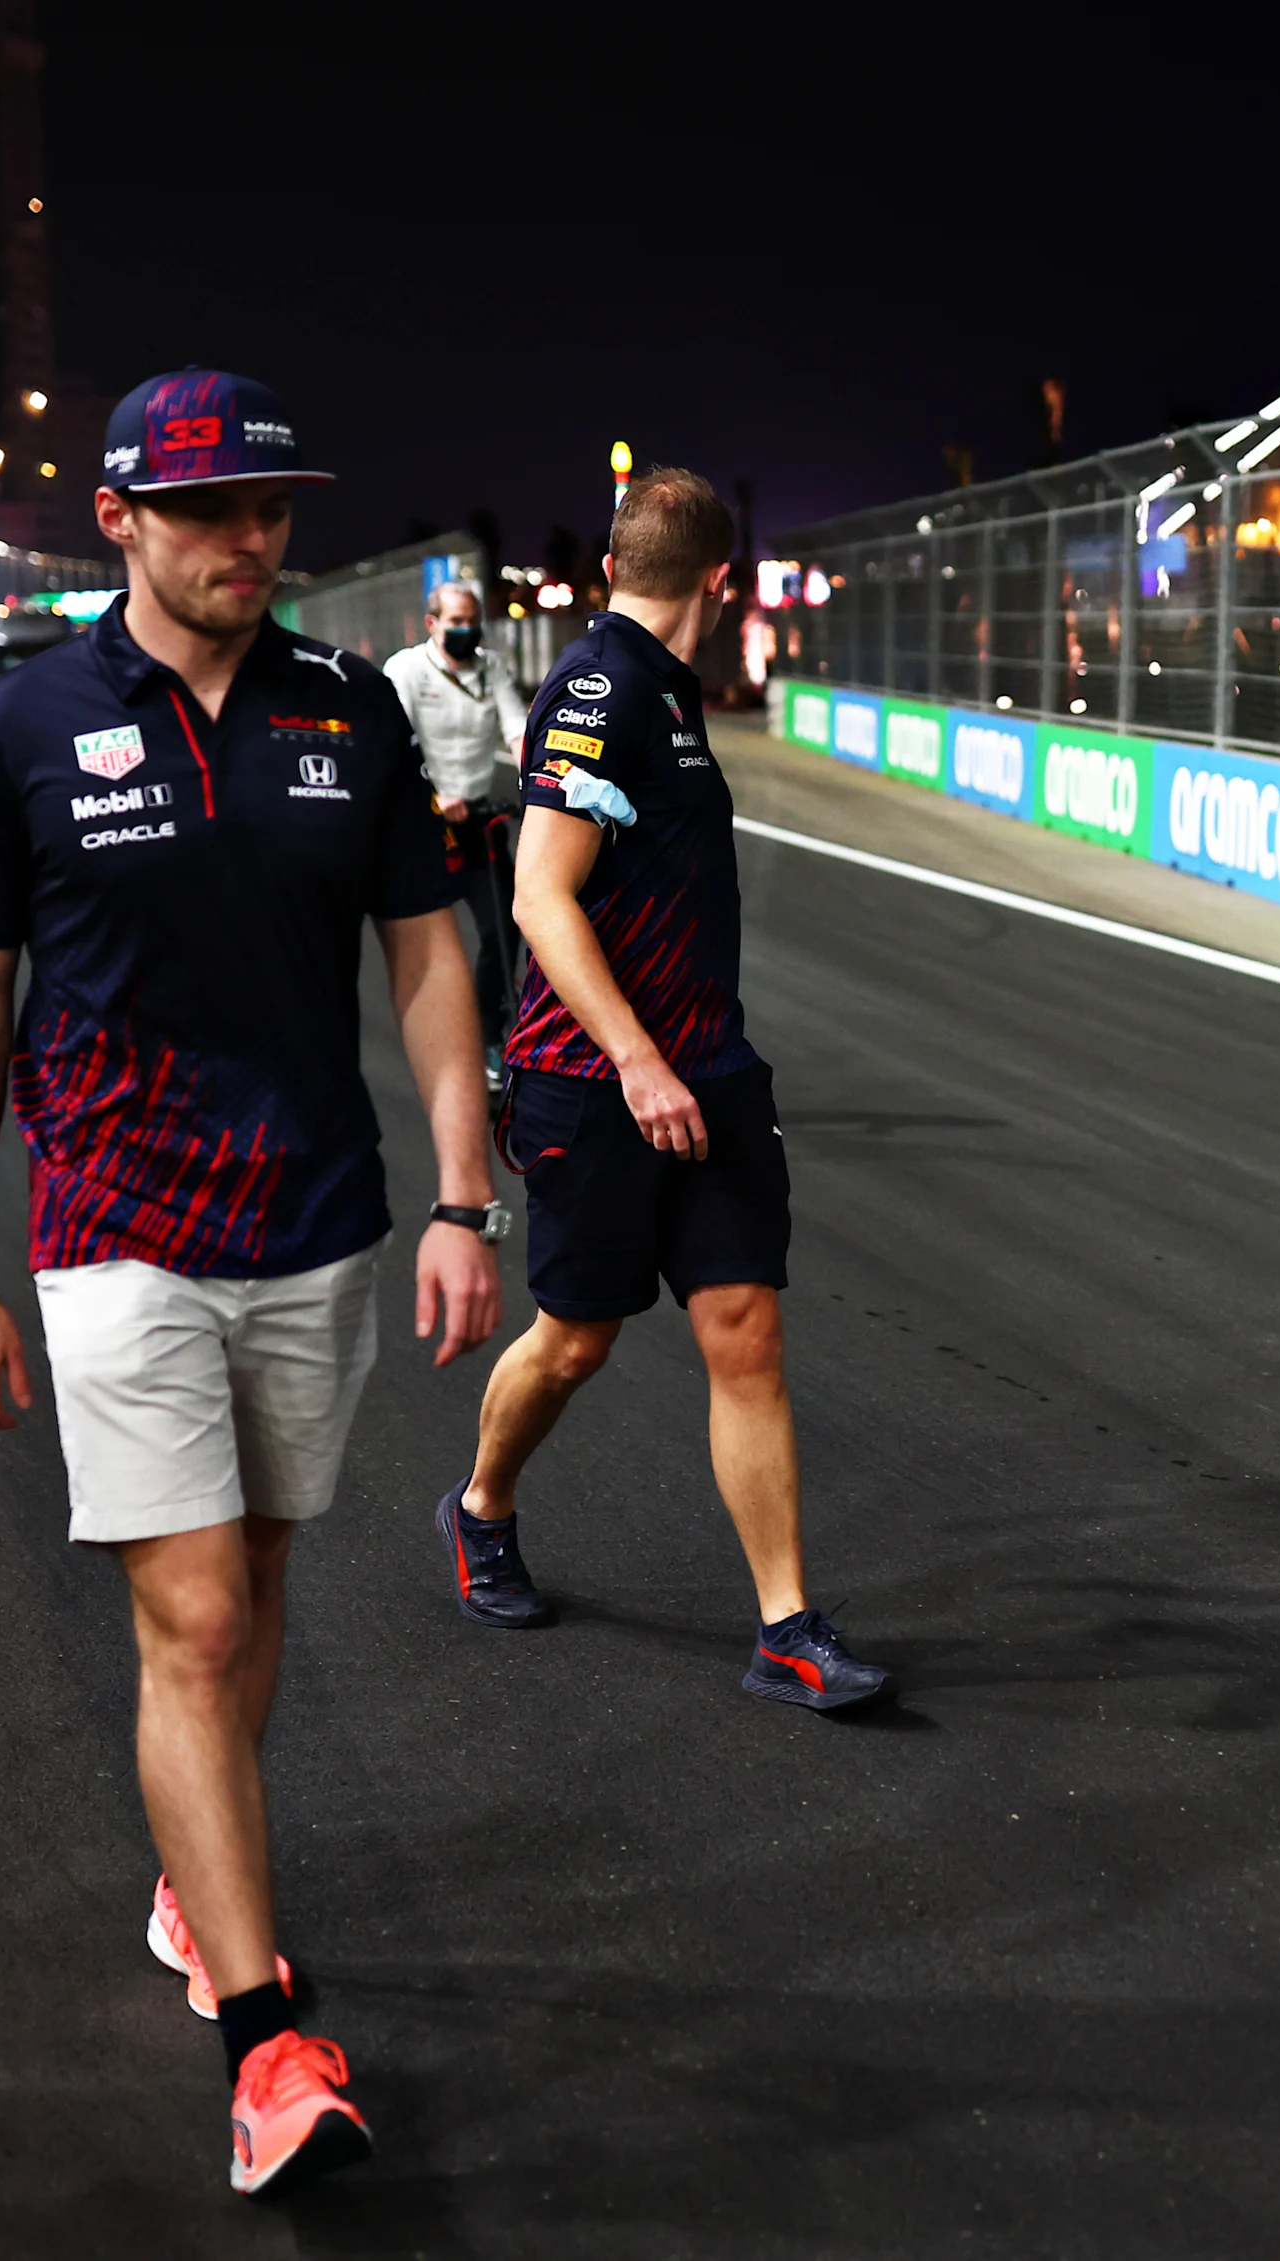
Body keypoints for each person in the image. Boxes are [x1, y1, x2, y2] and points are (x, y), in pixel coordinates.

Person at [0, 369, 502, 2196]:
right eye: (207, 511)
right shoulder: (19, 722)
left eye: (271, 508)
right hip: (113, 1230)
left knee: (252, 1589)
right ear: (120, 518)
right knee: (194, 1622)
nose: (251, 538)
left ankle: (199, 1878)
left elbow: (427, 955)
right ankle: (265, 2045)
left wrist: (464, 1196)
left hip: (315, 1220)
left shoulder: (351, 707)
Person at [433, 467, 887, 1711]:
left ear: (614, 565)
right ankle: (480, 1507)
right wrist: (638, 1060)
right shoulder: (600, 686)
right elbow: (539, 896)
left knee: (745, 1331)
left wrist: (682, 1061)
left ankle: (785, 1626)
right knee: (577, 1338)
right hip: (594, 1080)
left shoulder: (668, 688)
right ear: (721, 581)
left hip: (711, 1076)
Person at [383, 579, 531, 1071]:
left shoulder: (492, 669)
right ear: (432, 624)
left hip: (478, 820)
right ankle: (431, 1037)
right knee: (426, 937)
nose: (467, 629)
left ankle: (489, 1035)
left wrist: (541, 781)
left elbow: (517, 730)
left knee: (504, 928)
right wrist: (434, 794)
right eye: (456, 621)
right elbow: (396, 743)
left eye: (473, 621)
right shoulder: (406, 670)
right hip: (424, 822)